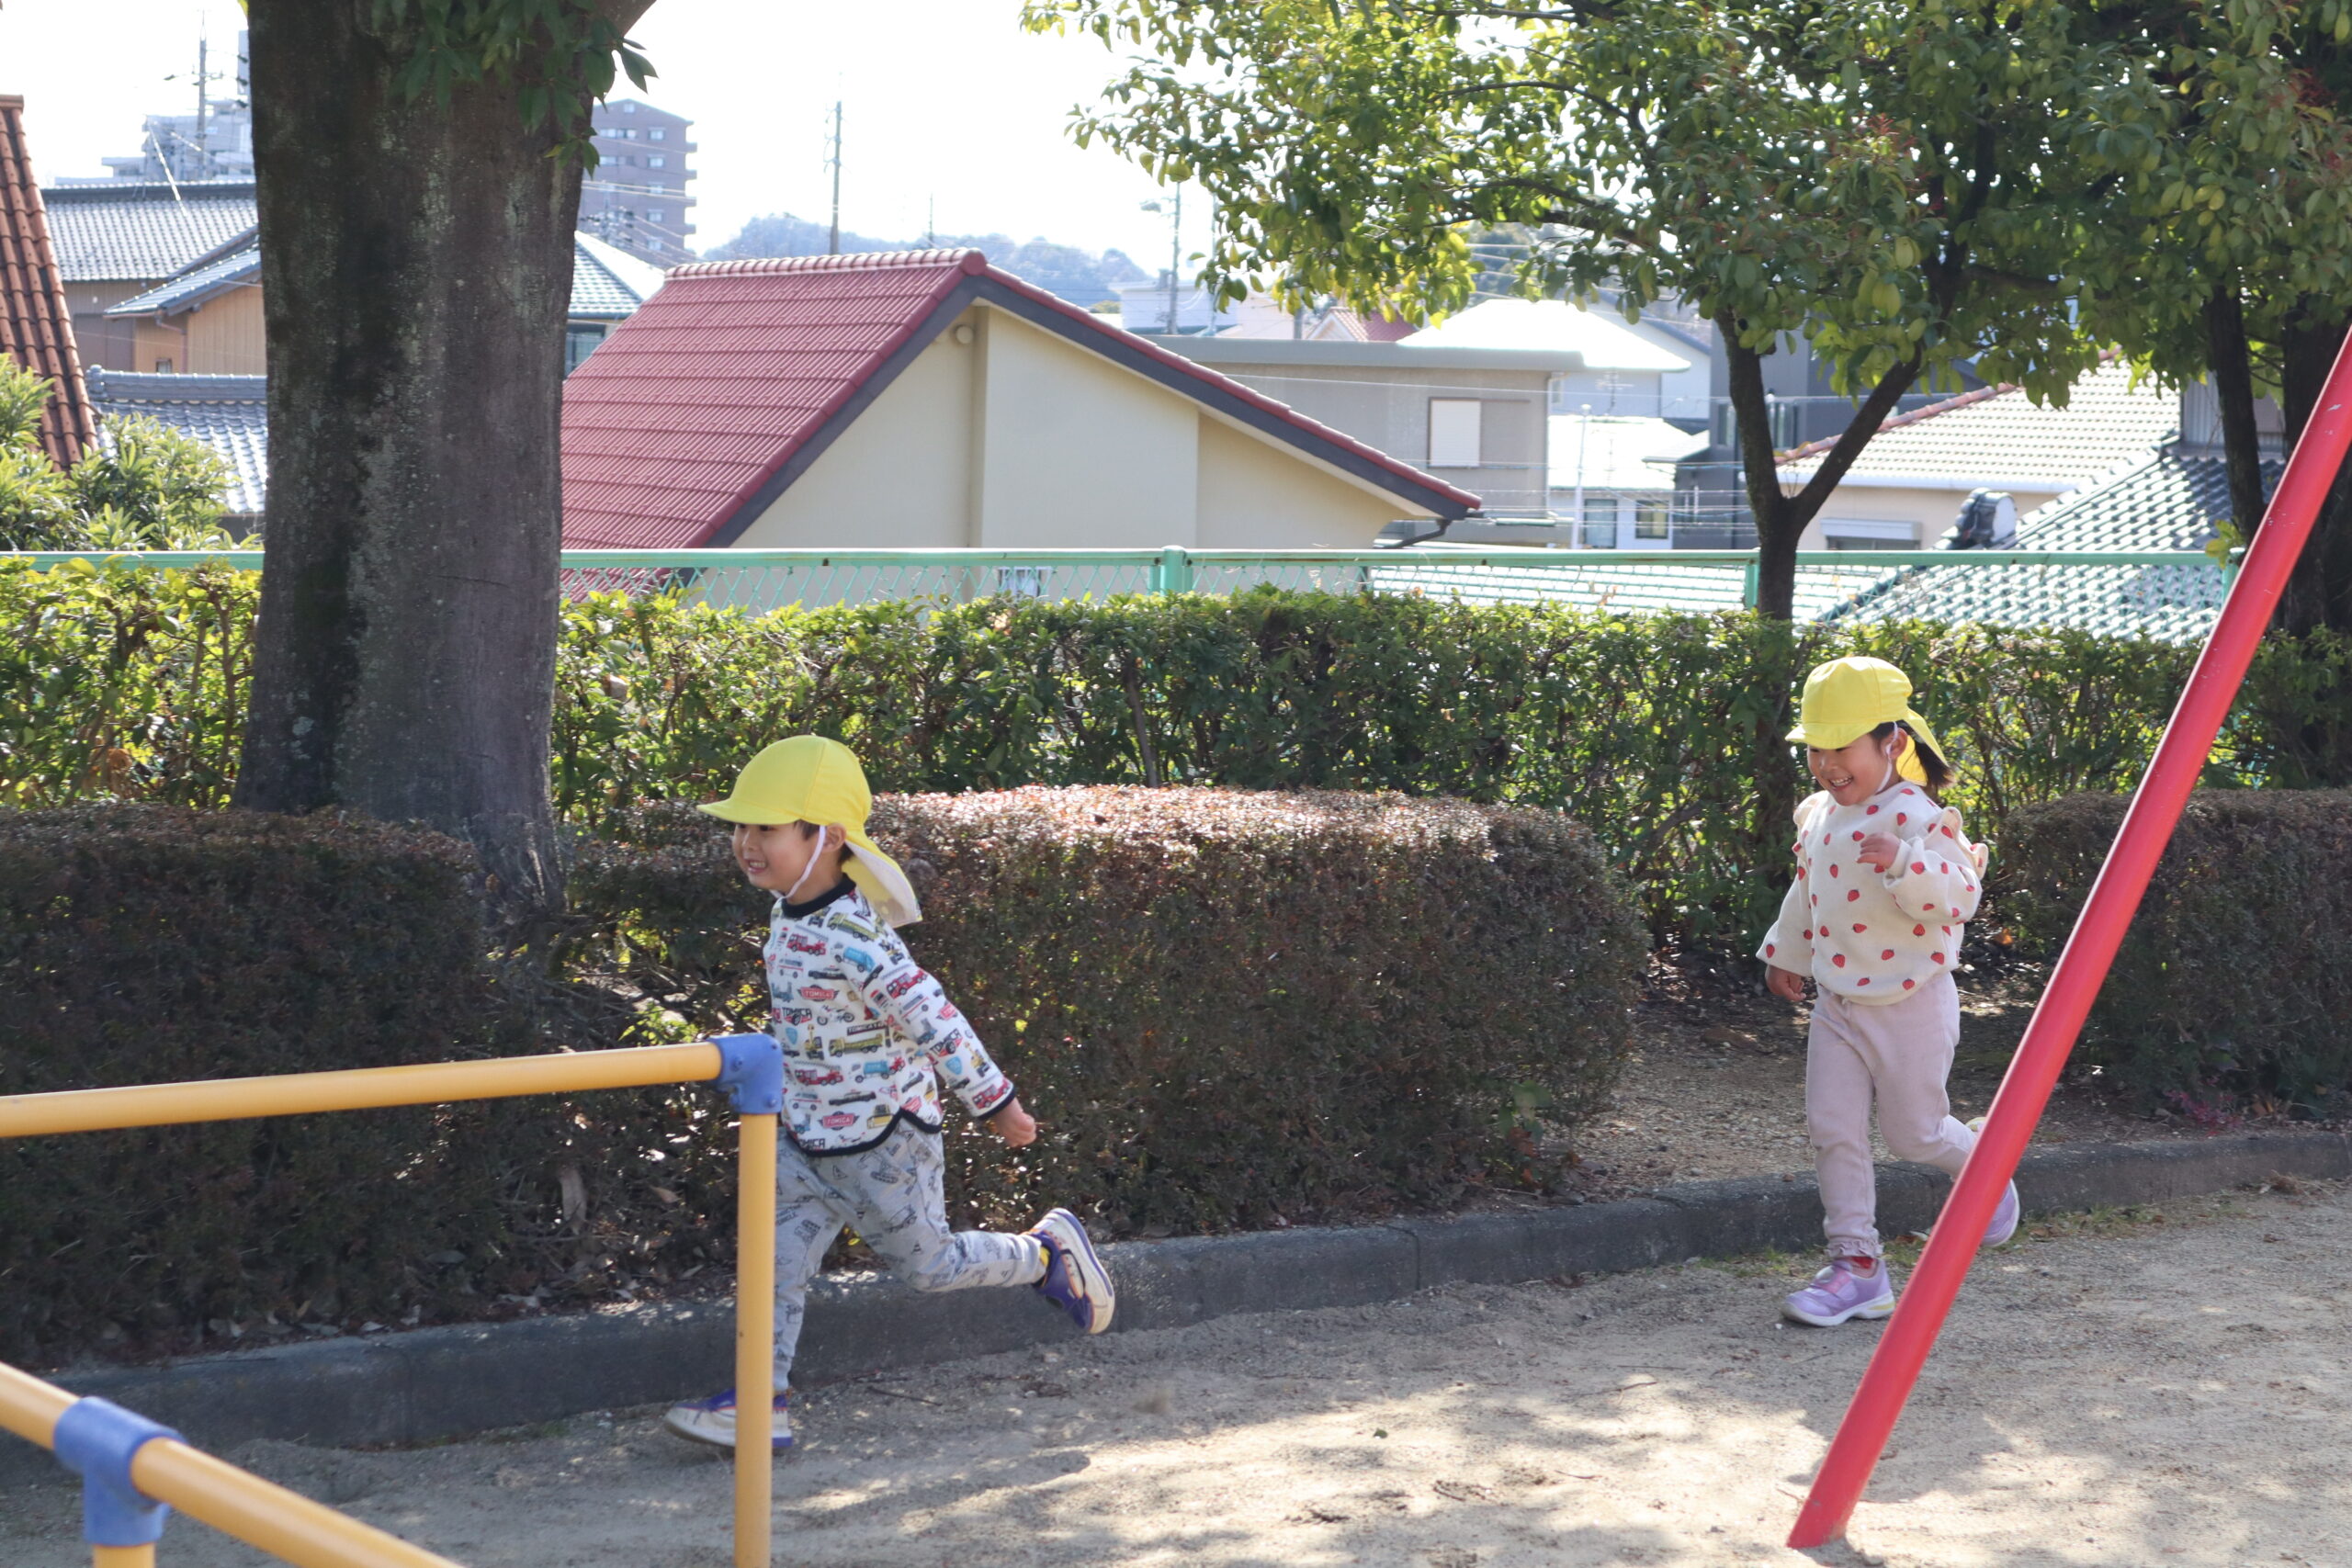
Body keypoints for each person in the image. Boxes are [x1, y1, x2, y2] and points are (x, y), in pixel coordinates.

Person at [662, 735, 1115, 1450]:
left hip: (882, 1138)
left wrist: (995, 1101)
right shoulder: (787, 911)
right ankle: (760, 1401)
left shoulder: (856, 937)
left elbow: (936, 1018)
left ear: (827, 836)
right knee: (771, 1263)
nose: (746, 842)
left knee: (929, 1267)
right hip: (804, 1135)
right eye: (741, 826)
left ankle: (1044, 1254)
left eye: (767, 827)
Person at [1758, 658, 2015, 1328]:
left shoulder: (1917, 816)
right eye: (1815, 748)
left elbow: (1960, 897)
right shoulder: (1819, 815)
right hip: (1839, 1002)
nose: (1826, 764)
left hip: (1911, 1001)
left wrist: (1904, 862)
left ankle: (1984, 1169)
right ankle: (1857, 1266)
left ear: (1891, 741)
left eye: (1841, 747)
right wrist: (1787, 952)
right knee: (1832, 1128)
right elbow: (1808, 891)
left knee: (1914, 1134)